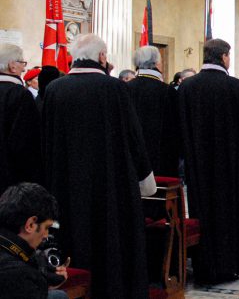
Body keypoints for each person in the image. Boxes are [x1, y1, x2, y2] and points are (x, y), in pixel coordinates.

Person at [41, 34, 155, 298]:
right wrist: (144, 178)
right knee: (111, 239)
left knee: (72, 236)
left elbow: (47, 140)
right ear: (102, 57)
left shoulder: (55, 89)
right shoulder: (114, 88)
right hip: (110, 185)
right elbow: (133, 137)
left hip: (66, 184)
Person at [178, 39, 239, 284]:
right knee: (229, 211)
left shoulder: (187, 87)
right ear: (224, 57)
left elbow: (179, 125)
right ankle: (229, 265)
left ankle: (203, 265)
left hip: (197, 166)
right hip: (229, 164)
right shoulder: (235, 87)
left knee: (201, 211)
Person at [0, 183, 68, 299]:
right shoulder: (20, 275)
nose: (46, 235)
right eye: (46, 228)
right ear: (30, 224)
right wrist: (40, 281)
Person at [126, 46, 181, 177]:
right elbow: (176, 130)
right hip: (161, 160)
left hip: (132, 157)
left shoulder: (125, 89)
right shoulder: (168, 92)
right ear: (157, 64)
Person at [0, 44, 42, 194]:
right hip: (10, 180)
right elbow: (26, 142)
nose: (24, 69)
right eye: (22, 63)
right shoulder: (20, 95)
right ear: (12, 66)